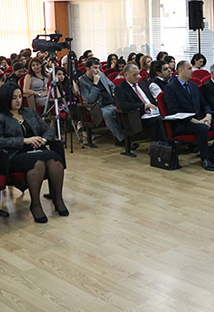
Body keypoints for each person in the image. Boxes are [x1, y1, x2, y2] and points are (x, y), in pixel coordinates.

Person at [0, 82, 68, 223]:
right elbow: (1, 141)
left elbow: (48, 129)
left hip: (38, 149)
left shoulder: (29, 112)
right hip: (15, 154)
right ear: (6, 99)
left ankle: (58, 199)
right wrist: (25, 140)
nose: (18, 100)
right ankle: (35, 204)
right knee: (38, 163)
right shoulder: (2, 117)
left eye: (20, 97)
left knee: (55, 161)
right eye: (14, 98)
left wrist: (43, 140)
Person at [163, 61, 214, 171]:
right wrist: (197, 121)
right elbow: (174, 111)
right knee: (202, 127)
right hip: (183, 123)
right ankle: (205, 158)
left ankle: (211, 153)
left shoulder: (193, 86)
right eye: (189, 68)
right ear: (181, 70)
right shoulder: (170, 88)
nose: (192, 71)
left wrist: (208, 115)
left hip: (200, 119)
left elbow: (205, 104)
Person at [78, 57, 132, 149]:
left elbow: (111, 86)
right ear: (87, 69)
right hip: (97, 106)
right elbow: (90, 99)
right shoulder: (82, 81)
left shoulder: (101, 75)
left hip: (111, 101)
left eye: (98, 68)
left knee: (125, 108)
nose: (97, 70)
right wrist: (95, 84)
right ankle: (122, 139)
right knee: (107, 114)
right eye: (95, 68)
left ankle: (129, 136)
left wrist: (114, 95)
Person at [114, 63, 162, 140]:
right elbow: (124, 105)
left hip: (153, 111)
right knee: (157, 121)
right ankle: (157, 143)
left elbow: (151, 99)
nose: (138, 77)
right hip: (137, 115)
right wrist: (144, 106)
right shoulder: (120, 88)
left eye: (138, 74)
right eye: (134, 75)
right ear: (126, 75)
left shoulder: (142, 84)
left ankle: (169, 142)